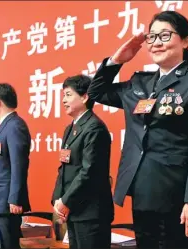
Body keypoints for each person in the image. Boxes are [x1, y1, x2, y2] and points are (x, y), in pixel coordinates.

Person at [88, 11, 188, 248]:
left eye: (165, 35)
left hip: (178, 196)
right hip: (142, 190)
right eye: (151, 37)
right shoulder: (139, 82)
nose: (156, 42)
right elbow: (96, 92)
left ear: (185, 40)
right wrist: (117, 60)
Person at [52, 75, 114, 249]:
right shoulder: (70, 128)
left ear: (85, 96)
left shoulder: (94, 128)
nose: (64, 100)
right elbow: (64, 168)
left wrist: (66, 202)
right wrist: (59, 201)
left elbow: (89, 172)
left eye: (69, 95)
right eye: (63, 95)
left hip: (91, 212)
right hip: (74, 210)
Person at [0, 83, 31, 249]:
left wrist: (15, 199)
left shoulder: (15, 126)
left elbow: (18, 165)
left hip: (6, 204)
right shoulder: (3, 127)